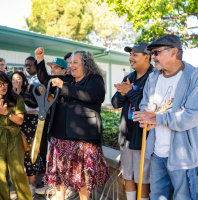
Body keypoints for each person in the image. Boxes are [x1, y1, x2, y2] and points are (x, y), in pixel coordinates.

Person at [34, 47, 109, 200]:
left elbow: (95, 95)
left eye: (75, 62)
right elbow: (45, 79)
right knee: (59, 174)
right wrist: (40, 60)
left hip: (83, 139)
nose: (71, 65)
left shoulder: (95, 79)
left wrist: (64, 87)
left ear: (86, 64)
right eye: (70, 62)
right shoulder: (67, 78)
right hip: (59, 134)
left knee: (83, 178)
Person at [133, 34, 198, 200]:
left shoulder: (193, 76)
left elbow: (192, 115)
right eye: (152, 53)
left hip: (182, 158)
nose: (152, 57)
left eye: (157, 52)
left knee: (182, 197)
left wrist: (157, 119)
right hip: (157, 153)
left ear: (174, 52)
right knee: (157, 196)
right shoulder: (153, 77)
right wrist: (145, 118)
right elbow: (144, 104)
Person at [111, 42, 153, 200]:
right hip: (126, 136)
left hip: (143, 137)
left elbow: (147, 107)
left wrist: (129, 92)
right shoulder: (128, 77)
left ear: (147, 57)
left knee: (142, 179)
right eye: (130, 55)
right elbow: (115, 104)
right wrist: (122, 93)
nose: (131, 58)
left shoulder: (154, 77)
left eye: (135, 55)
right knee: (127, 175)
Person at [0, 70, 32, 200]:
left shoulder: (17, 99)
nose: (2, 86)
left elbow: (20, 121)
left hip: (14, 138)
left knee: (18, 174)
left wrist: (7, 113)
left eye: (4, 83)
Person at [12, 71, 40, 196]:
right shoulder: (9, 92)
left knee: (32, 154)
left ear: (24, 79)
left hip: (31, 125)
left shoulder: (31, 88)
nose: (16, 81)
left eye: (19, 78)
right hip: (17, 125)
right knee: (20, 155)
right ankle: (23, 184)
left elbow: (34, 105)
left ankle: (32, 184)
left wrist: (20, 94)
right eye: (13, 79)